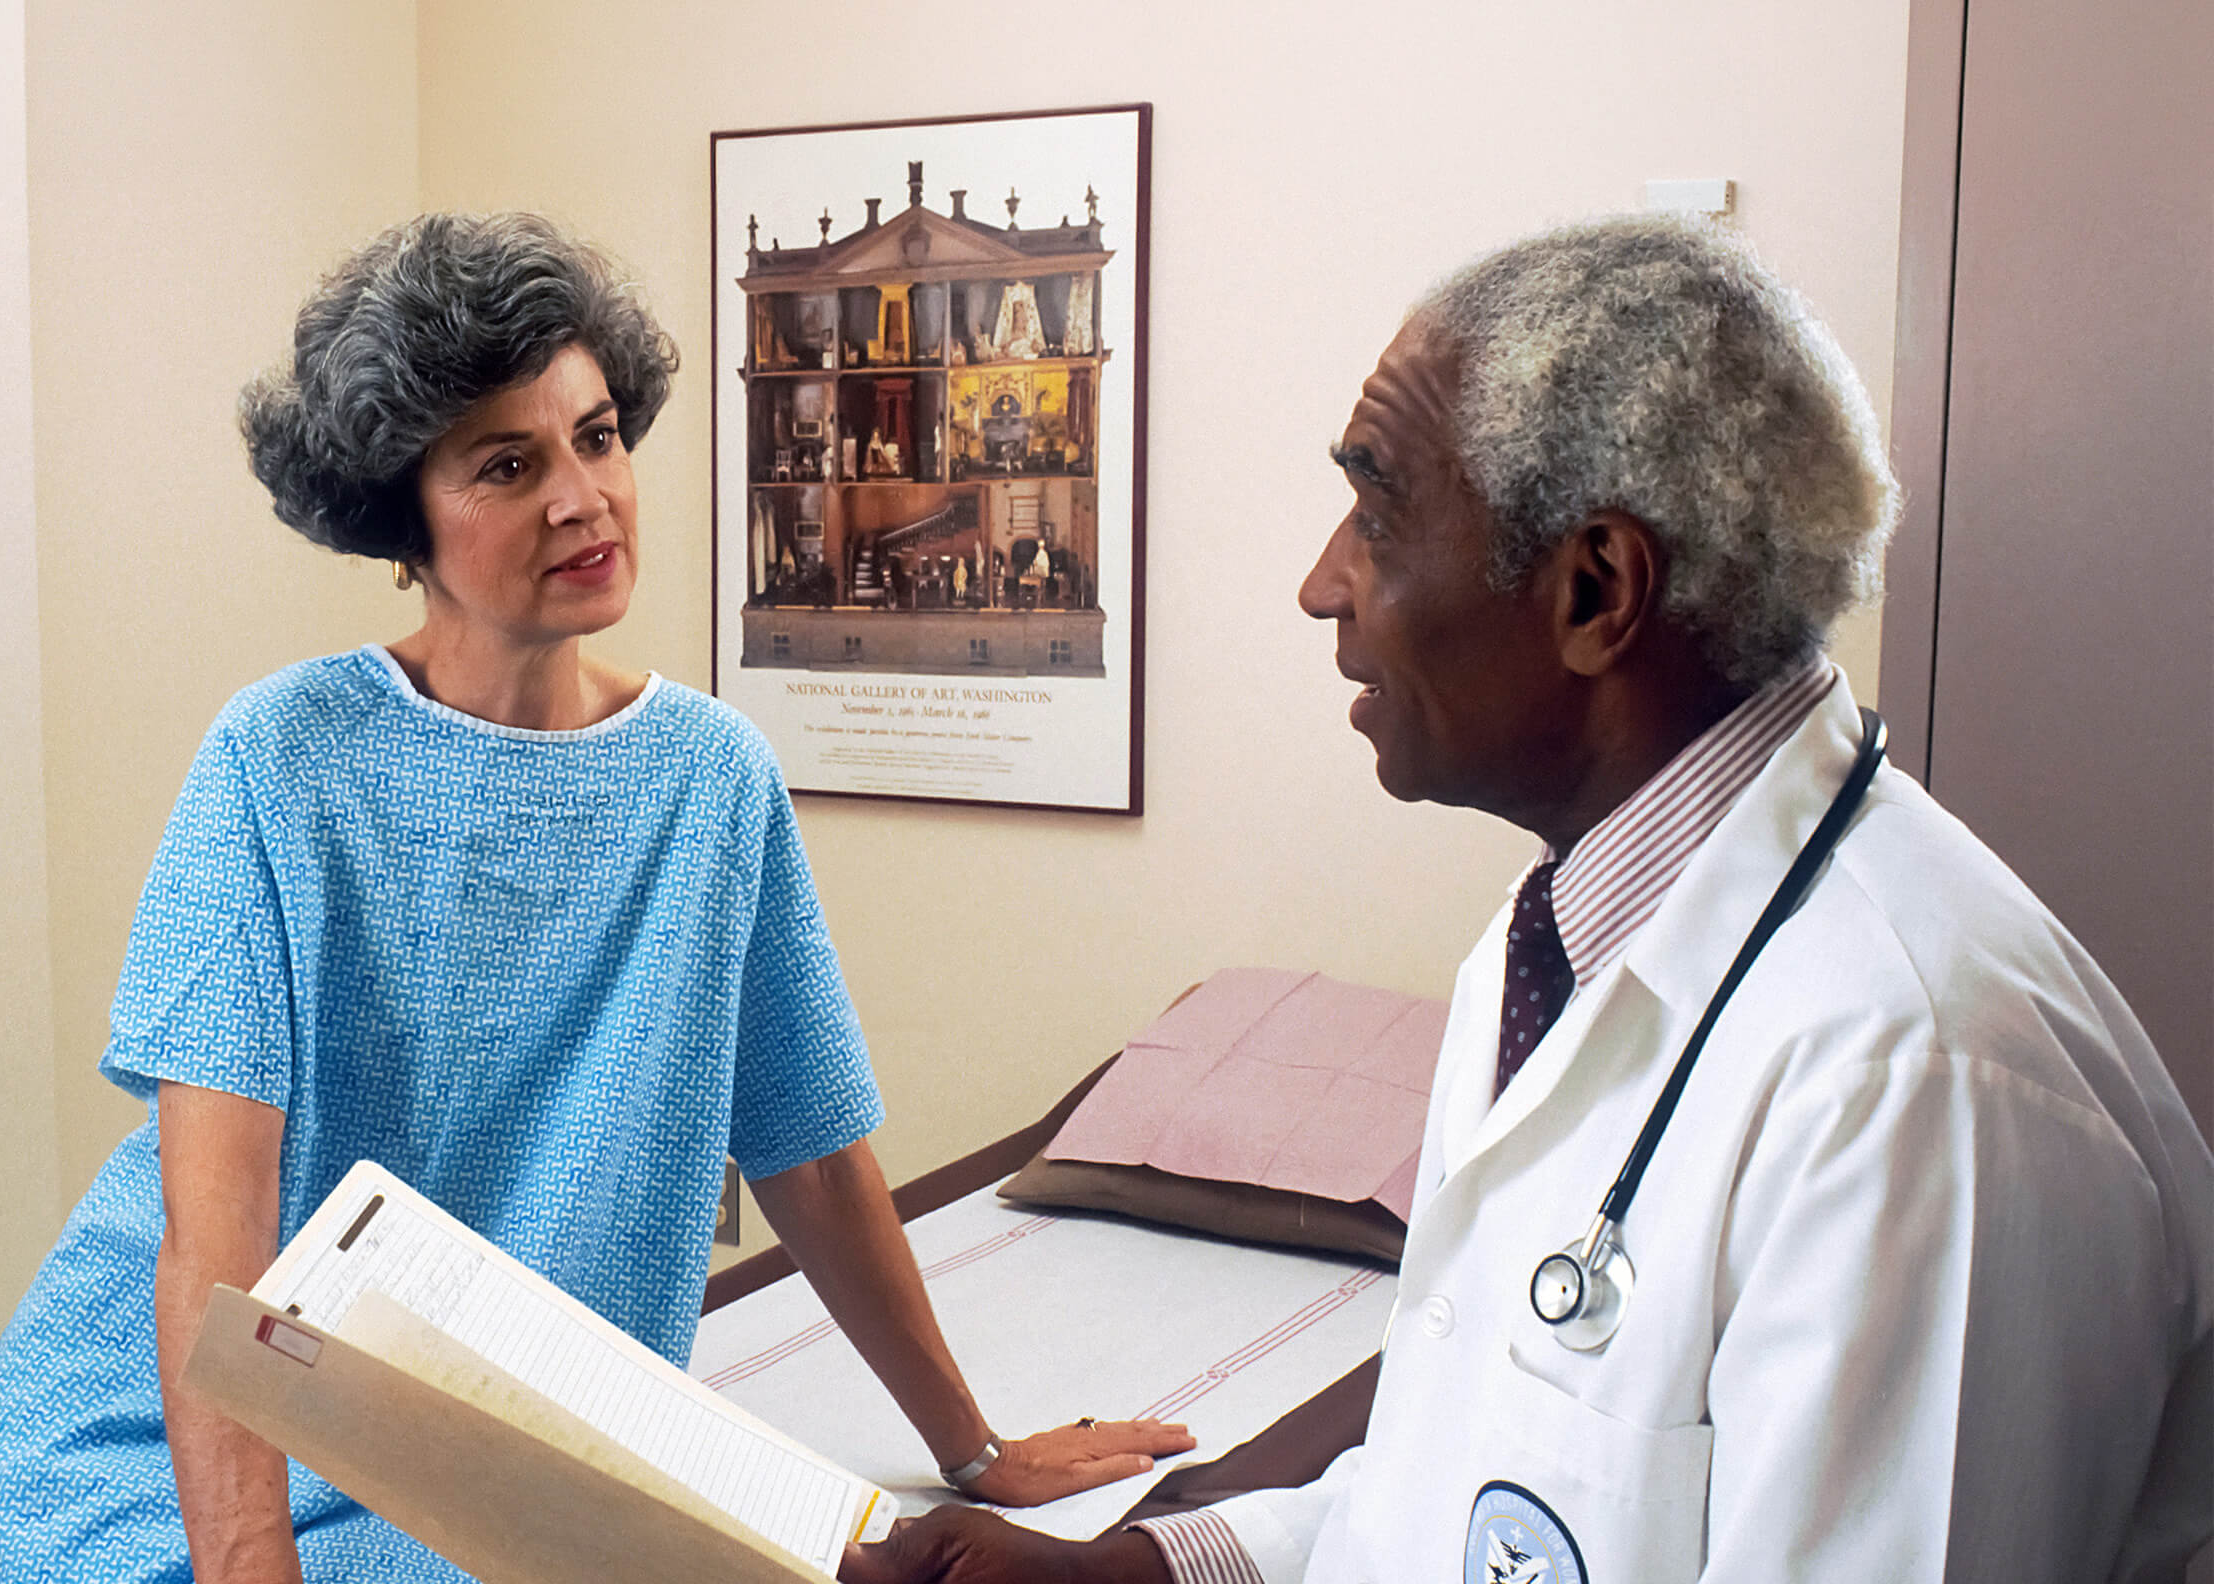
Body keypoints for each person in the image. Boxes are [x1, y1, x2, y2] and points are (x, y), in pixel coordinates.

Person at [843, 217, 2214, 1583]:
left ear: (1595, 590)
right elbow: (1467, 1490)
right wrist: (1136, 1574)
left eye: (1379, 513)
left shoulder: (1919, 1087)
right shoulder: (1552, 935)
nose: (1323, 582)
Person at [0, 213, 1186, 1584]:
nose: (583, 498)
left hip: (487, 1458)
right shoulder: (277, 759)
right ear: (399, 517)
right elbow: (211, 1230)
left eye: (596, 438)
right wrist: (247, 1571)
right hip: (164, 1454)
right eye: (508, 464)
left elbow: (813, 1156)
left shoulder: (713, 781)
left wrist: (973, 1448)